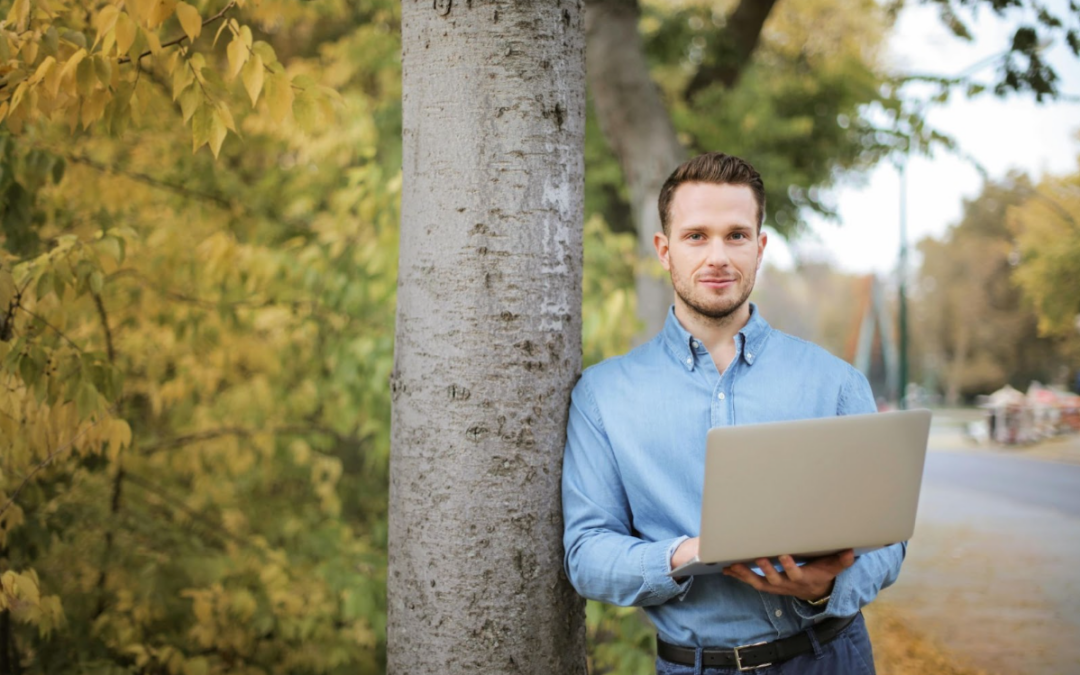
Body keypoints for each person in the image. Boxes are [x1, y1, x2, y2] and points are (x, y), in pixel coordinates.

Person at [562, 152, 903, 675]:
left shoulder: (834, 382)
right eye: (696, 236)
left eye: (736, 235)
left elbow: (888, 538)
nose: (717, 255)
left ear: (760, 247)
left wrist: (829, 587)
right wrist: (686, 554)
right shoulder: (604, 396)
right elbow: (586, 555)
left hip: (830, 657)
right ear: (664, 249)